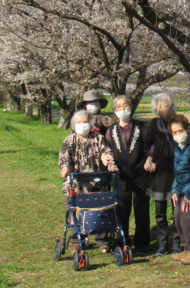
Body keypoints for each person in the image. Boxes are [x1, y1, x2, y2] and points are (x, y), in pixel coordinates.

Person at [58, 110, 116, 252]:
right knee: (76, 211)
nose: (82, 125)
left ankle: (102, 239)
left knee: (100, 210)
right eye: (79, 122)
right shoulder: (70, 140)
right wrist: (65, 168)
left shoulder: (98, 138)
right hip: (77, 184)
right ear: (74, 125)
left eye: (85, 122)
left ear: (90, 124)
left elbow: (107, 153)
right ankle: (78, 239)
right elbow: (64, 157)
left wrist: (109, 162)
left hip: (97, 182)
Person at [103, 95, 151, 255]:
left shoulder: (142, 127)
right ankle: (121, 241)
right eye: (119, 107)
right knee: (122, 210)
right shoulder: (111, 131)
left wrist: (150, 159)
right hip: (120, 177)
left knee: (141, 209)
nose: (123, 109)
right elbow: (107, 150)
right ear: (114, 111)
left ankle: (142, 243)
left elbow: (150, 147)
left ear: (131, 107)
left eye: (126, 106)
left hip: (140, 175)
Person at [142, 92, 180, 256]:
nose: (162, 108)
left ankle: (178, 243)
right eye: (159, 106)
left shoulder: (178, 122)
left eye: (165, 105)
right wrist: (149, 159)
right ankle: (163, 244)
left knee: (177, 211)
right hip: (158, 174)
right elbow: (146, 144)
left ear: (171, 107)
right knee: (160, 213)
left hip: (176, 171)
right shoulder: (152, 125)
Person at [169, 114, 190, 265]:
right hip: (181, 187)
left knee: (188, 217)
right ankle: (186, 247)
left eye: (180, 131)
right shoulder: (178, 146)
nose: (178, 135)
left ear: (188, 129)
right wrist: (174, 190)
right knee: (177, 216)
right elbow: (178, 170)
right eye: (174, 132)